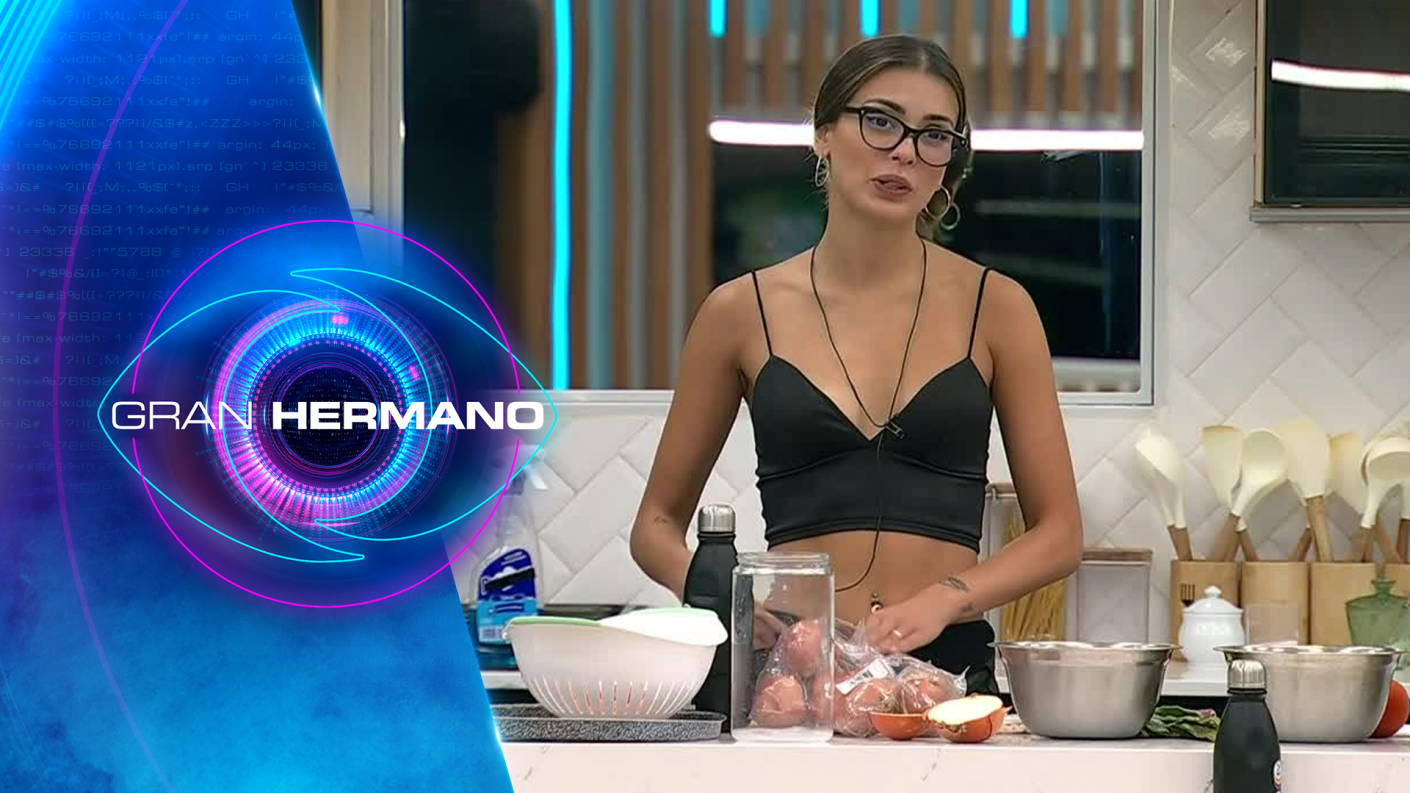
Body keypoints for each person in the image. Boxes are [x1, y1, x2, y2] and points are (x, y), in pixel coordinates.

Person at [628, 34, 1083, 696]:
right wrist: (732, 600)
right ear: (824, 134)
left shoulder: (998, 307)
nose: (905, 151)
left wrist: (948, 597)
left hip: (945, 671)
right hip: (792, 674)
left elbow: (1060, 532)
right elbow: (655, 527)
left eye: (934, 135)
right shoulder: (739, 312)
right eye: (880, 121)